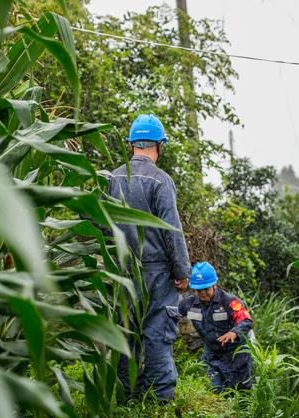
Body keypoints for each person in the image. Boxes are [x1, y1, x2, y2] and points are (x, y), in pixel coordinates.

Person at [108, 114, 192, 402]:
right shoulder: (161, 180)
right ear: (159, 145)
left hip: (121, 269)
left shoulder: (113, 178)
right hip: (156, 272)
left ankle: (125, 395)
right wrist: (182, 271)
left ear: (132, 145)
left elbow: (101, 224)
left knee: (125, 332)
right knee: (157, 332)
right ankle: (159, 398)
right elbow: (172, 231)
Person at [178, 261, 254, 393]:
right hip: (212, 357)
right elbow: (172, 311)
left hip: (236, 356)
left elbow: (246, 320)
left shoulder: (230, 301)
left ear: (214, 285)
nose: (202, 293)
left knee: (240, 393)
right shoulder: (189, 304)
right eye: (198, 290)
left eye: (206, 289)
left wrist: (234, 333)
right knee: (216, 391)